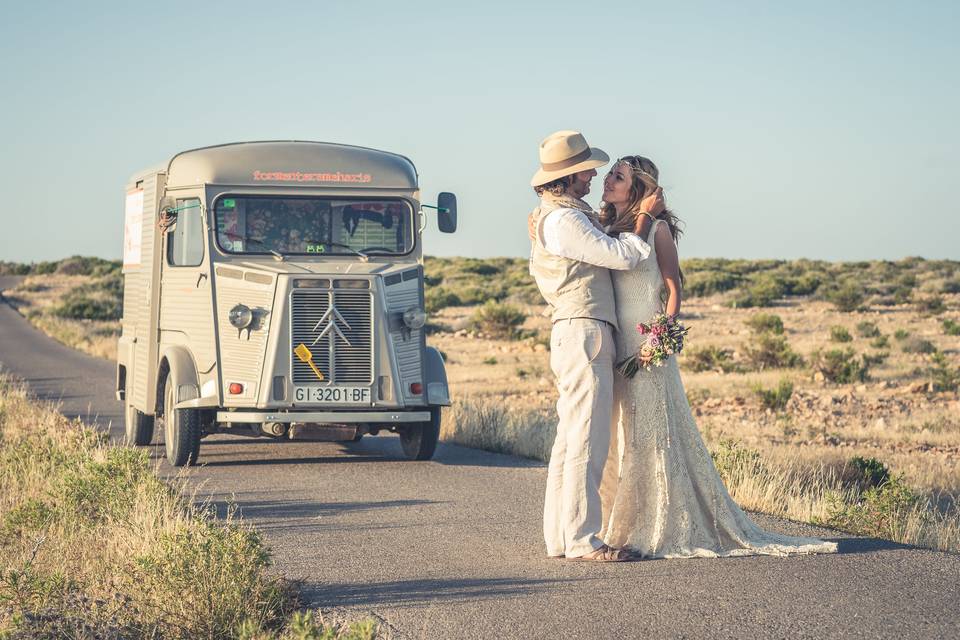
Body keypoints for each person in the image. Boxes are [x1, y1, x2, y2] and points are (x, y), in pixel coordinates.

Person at [597, 155, 838, 558]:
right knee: (621, 436)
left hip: (646, 347)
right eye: (609, 175)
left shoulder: (656, 231)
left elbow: (674, 289)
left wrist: (660, 339)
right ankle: (619, 522)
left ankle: (657, 524)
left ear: (637, 188)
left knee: (653, 435)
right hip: (615, 345)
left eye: (617, 177)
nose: (607, 181)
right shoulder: (606, 232)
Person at [528, 131, 663, 562]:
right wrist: (642, 218)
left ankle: (562, 538)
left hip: (579, 330)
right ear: (568, 177)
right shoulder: (565, 221)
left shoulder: (564, 215)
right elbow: (623, 255)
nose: (592, 177)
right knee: (586, 438)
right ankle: (583, 540)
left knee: (571, 440)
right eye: (586, 171)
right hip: (583, 330)